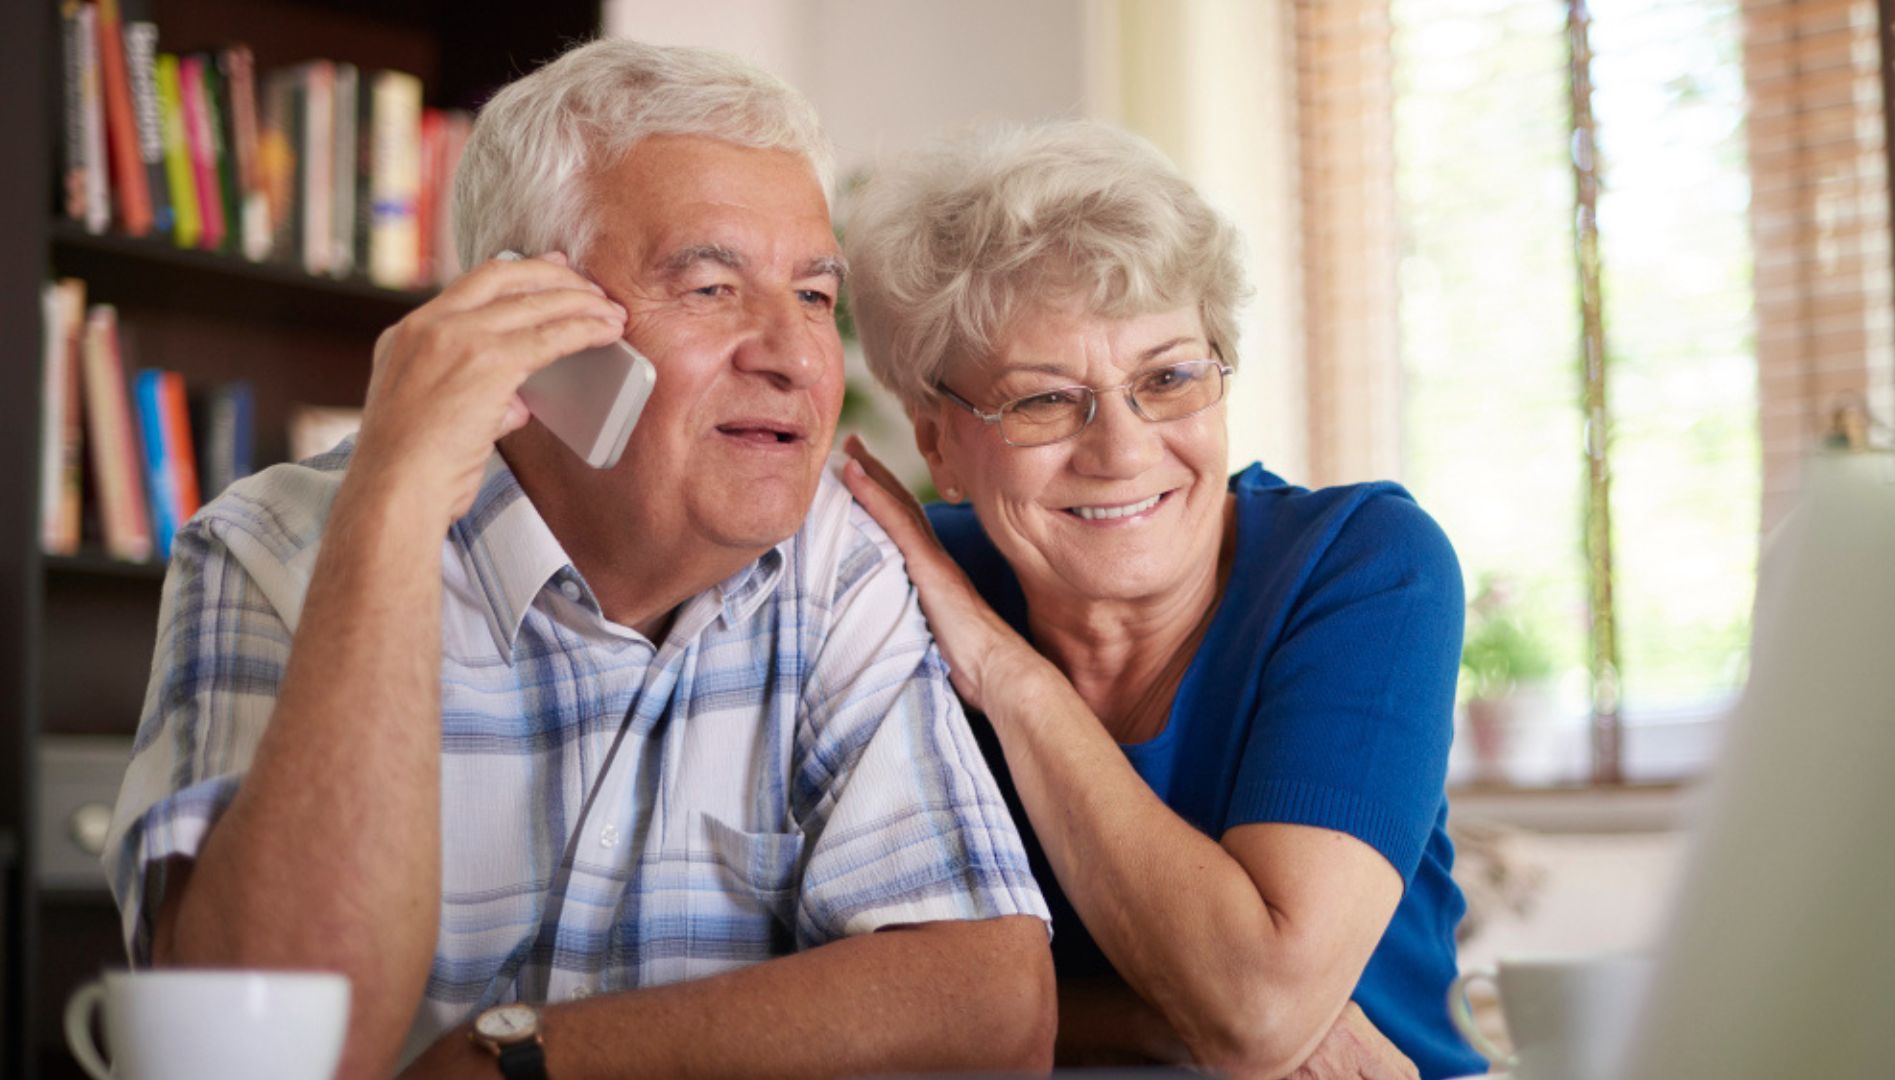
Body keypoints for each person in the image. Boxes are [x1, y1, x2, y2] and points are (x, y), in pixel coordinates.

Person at [102, 40, 1054, 1080]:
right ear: (533, 326)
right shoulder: (274, 551)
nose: (792, 354)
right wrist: (393, 510)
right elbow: (266, 1055)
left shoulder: (835, 568)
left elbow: (993, 1006)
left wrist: (516, 1057)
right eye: (710, 287)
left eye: (817, 298)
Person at [840, 120, 1485, 1079]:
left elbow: (1256, 1010)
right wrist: (1152, 1020)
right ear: (938, 447)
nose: (1123, 451)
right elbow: (823, 977)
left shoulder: (1363, 566)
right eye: (1043, 400)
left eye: (1169, 377)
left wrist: (1014, 680)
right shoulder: (892, 588)